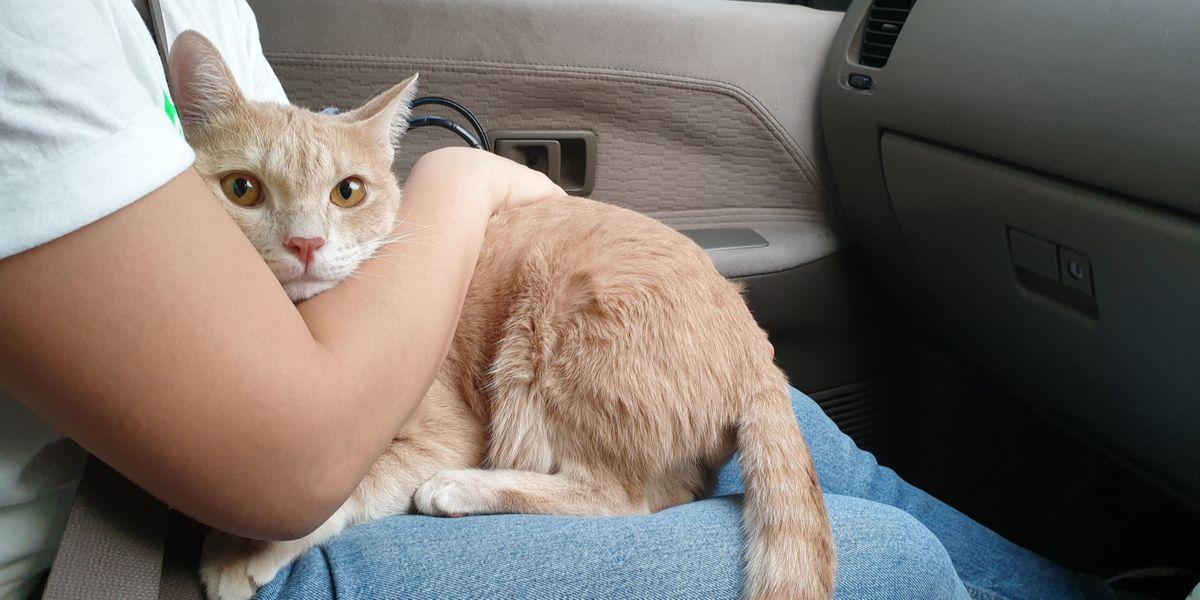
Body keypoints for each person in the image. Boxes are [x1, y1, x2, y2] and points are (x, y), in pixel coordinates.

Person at [0, 1, 1115, 599]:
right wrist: (464, 178)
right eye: (244, 194)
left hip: (303, 403)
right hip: (130, 540)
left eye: (344, 198)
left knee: (807, 439)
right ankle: (608, 492)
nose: (304, 237)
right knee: (886, 562)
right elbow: (288, 467)